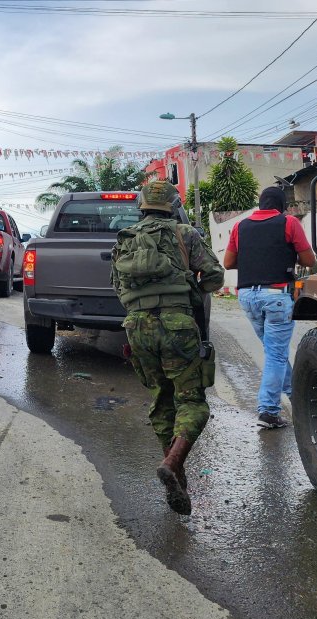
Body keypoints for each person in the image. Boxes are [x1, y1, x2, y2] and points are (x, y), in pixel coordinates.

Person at [112, 180, 224, 515]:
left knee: (162, 398)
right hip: (177, 325)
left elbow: (118, 288)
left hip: (137, 328)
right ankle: (172, 463)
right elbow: (215, 277)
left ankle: (178, 476)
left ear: (141, 206)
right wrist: (190, 287)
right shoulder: (186, 234)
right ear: (172, 205)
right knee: (193, 402)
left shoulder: (126, 239)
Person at [223, 186, 316, 429]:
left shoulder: (240, 226)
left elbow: (228, 262)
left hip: (247, 297)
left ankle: (298, 398)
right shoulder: (289, 223)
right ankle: (268, 410)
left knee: (274, 352)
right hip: (276, 295)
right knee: (276, 354)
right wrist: (286, 255)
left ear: (260, 204)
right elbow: (309, 261)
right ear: (282, 205)